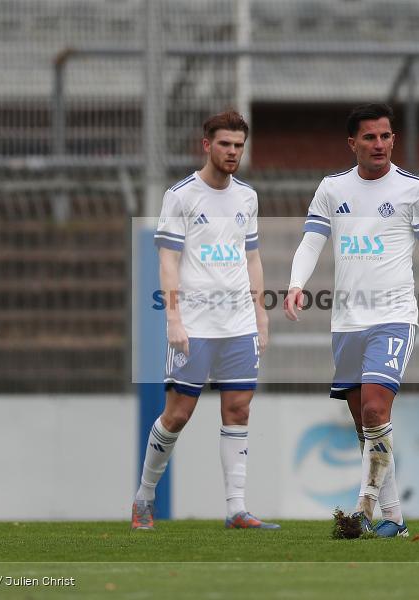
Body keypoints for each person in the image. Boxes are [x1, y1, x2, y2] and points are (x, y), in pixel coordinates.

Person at [284, 103, 419, 538]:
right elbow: (311, 242)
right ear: (353, 143)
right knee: (368, 429)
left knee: (375, 408)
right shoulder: (331, 188)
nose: (379, 144)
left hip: (395, 317)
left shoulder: (416, 190)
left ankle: (363, 506)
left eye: (385, 136)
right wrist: (295, 283)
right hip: (347, 321)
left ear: (393, 140)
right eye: (369, 137)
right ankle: (396, 519)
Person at [132, 110, 279, 531]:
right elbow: (167, 260)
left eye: (239, 145)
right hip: (195, 325)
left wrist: (260, 313)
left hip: (238, 325)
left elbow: (251, 256)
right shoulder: (181, 196)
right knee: (177, 414)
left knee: (238, 409)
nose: (233, 152)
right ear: (206, 145)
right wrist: (173, 319)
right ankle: (144, 497)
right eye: (225, 144)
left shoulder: (247, 197)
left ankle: (236, 509)